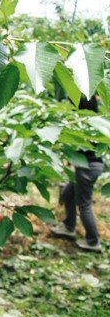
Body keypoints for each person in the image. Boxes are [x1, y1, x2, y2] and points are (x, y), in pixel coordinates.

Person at [50, 95, 104, 252]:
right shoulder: (95, 120)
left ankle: (93, 241)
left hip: (88, 168)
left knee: (84, 204)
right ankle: (68, 226)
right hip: (90, 166)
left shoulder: (85, 125)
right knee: (68, 193)